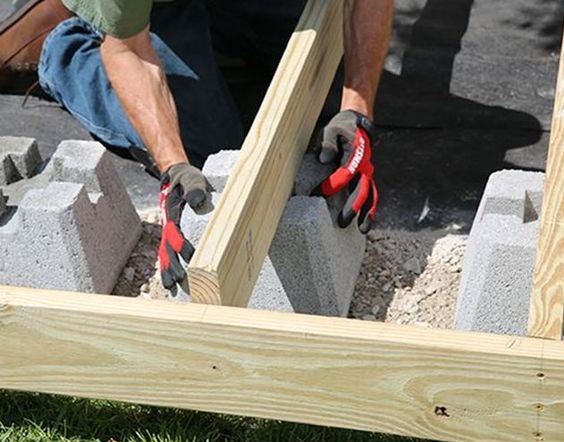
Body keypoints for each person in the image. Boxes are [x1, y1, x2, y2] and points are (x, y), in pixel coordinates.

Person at [0, 1, 393, 290]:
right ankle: (64, 41)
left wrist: (356, 112)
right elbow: (129, 50)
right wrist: (174, 166)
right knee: (212, 152)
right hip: (141, 22)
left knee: (315, 30)